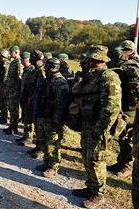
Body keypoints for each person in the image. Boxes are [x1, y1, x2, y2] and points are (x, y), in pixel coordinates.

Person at [72, 45, 121, 208]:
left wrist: (101, 130)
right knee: (87, 157)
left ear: (98, 59)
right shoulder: (92, 76)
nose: (87, 61)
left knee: (96, 160)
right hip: (88, 124)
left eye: (90, 58)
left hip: (99, 127)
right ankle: (91, 187)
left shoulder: (109, 77)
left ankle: (99, 194)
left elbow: (111, 108)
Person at [107, 40, 139, 177]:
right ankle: (121, 162)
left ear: (131, 51)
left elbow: (133, 87)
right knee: (121, 134)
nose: (121, 53)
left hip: (132, 106)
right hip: (124, 104)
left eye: (124, 51)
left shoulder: (133, 66)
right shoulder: (122, 64)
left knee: (128, 136)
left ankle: (126, 166)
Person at [35, 57, 69, 178]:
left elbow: (61, 104)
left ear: (52, 67)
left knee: (53, 144)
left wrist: (57, 119)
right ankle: (46, 162)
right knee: (44, 141)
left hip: (53, 118)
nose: (45, 68)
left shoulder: (60, 82)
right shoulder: (49, 80)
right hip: (45, 115)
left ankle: (53, 166)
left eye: (47, 66)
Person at [3, 45, 22, 135]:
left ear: (16, 52)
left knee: (14, 109)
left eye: (11, 52)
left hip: (15, 90)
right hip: (10, 89)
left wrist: (17, 91)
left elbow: (19, 78)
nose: (10, 54)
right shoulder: (13, 62)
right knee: (11, 108)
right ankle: (12, 125)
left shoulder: (18, 63)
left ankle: (14, 127)